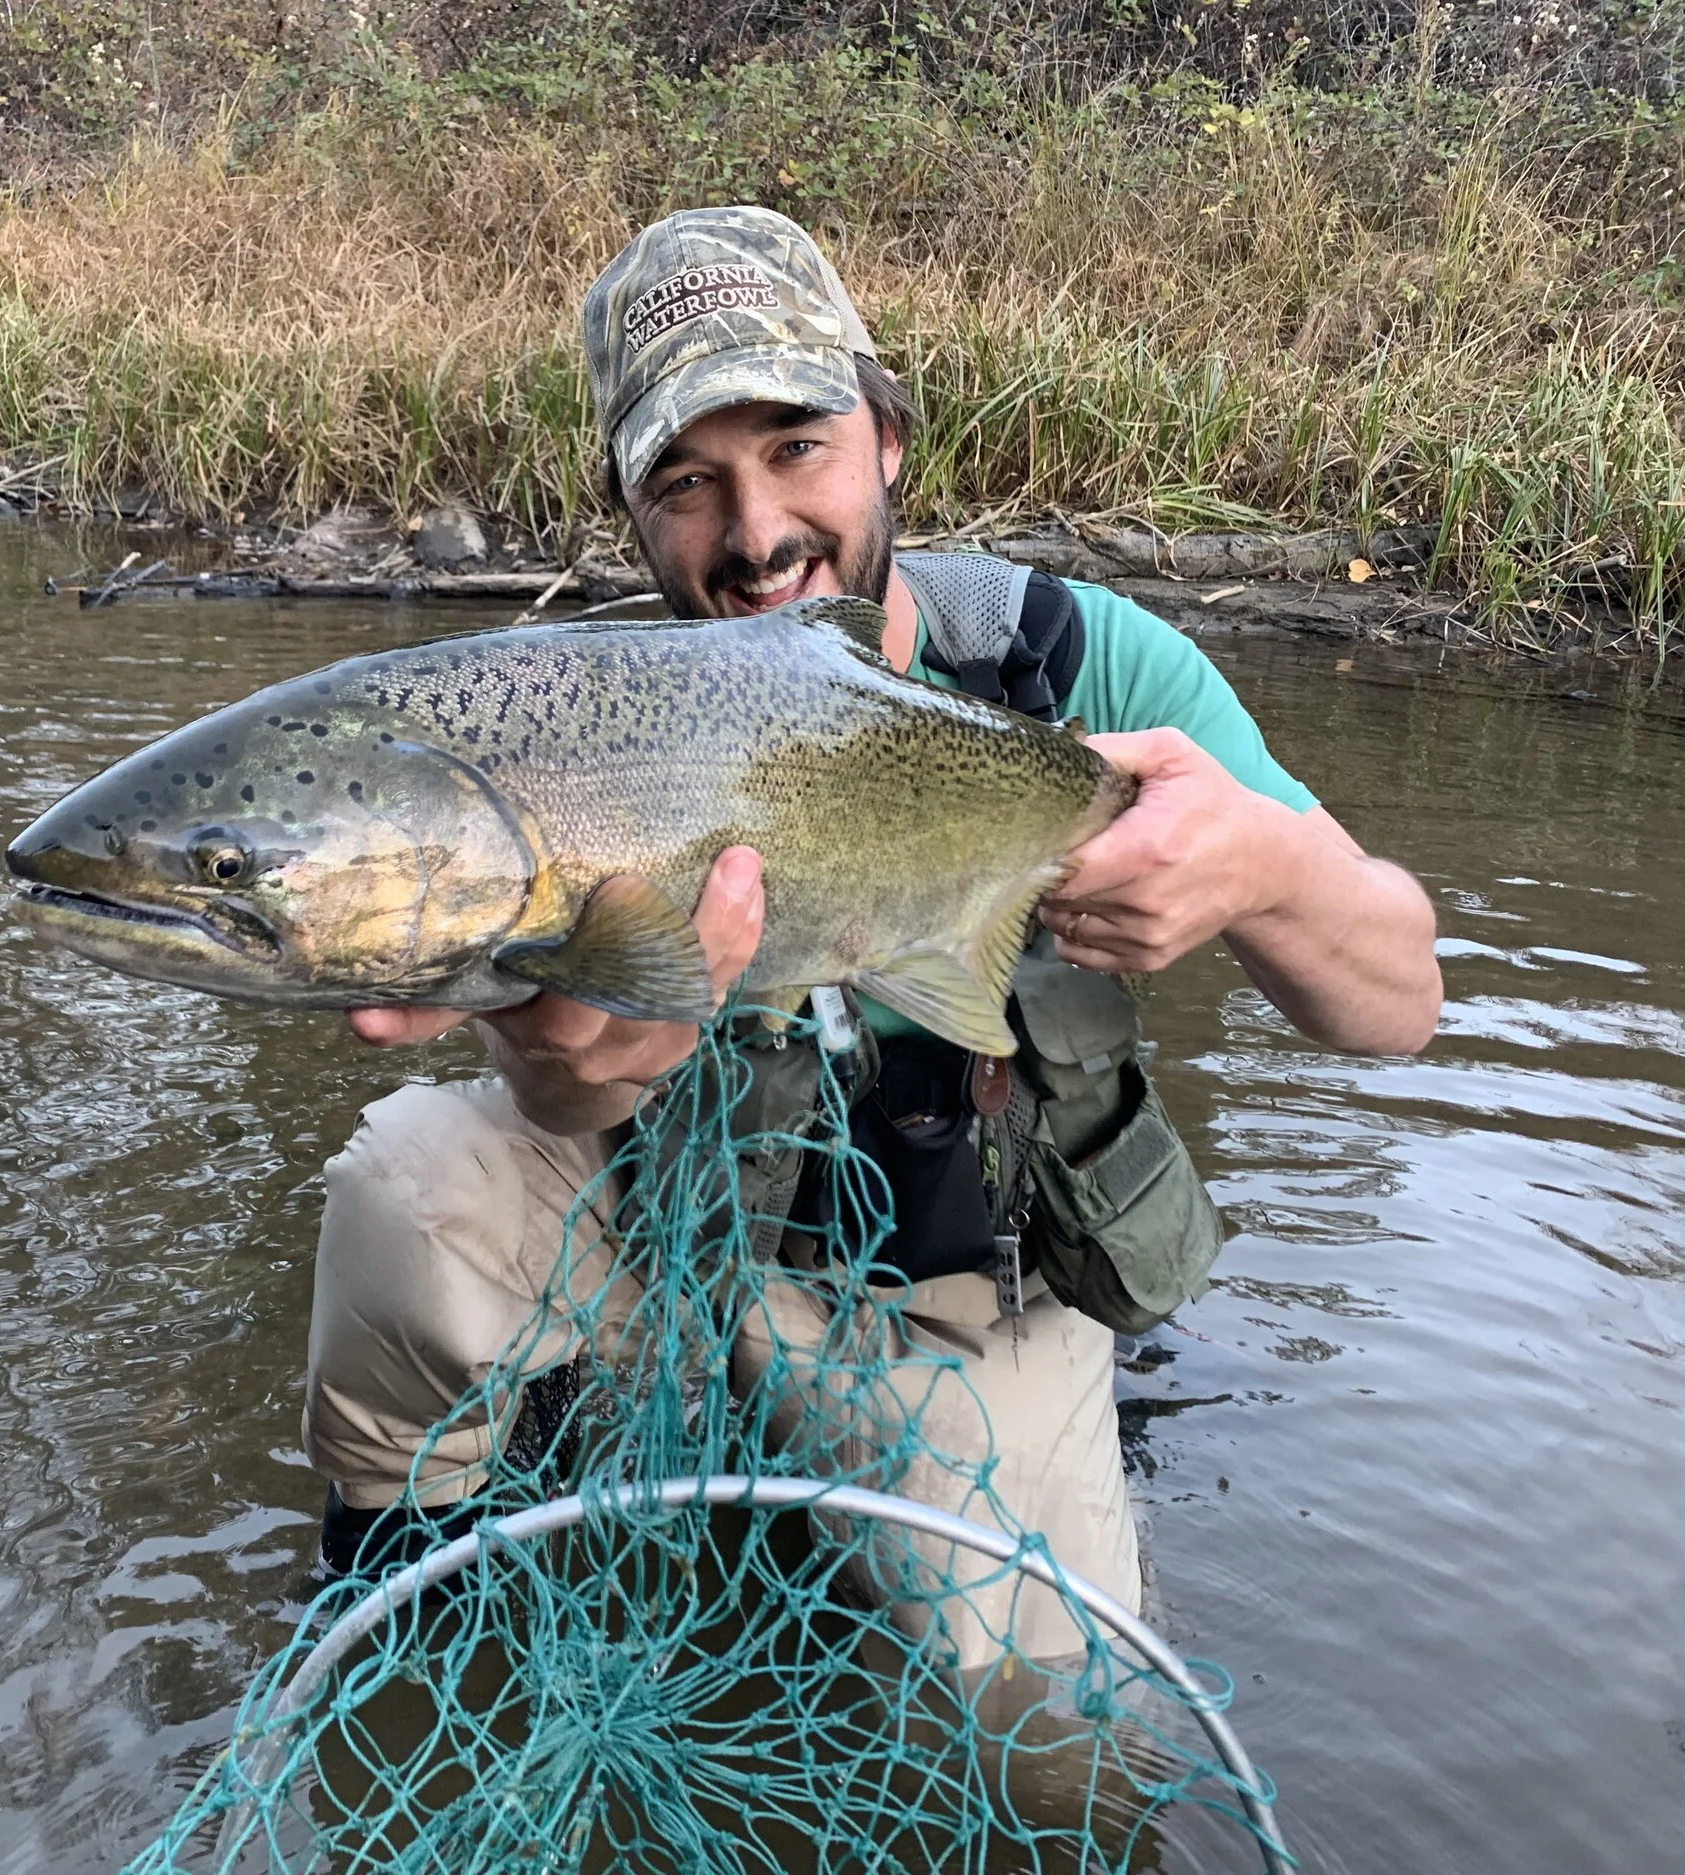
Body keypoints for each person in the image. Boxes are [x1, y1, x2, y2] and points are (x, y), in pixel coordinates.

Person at [300, 206, 1440, 1661]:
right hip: (675, 1248)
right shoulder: (586, 732)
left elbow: (1399, 999)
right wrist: (575, 1067)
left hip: (961, 1304)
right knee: (408, 1188)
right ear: (629, 505)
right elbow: (566, 1095)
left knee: (1047, 1736)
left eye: (796, 447)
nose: (759, 531)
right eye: (689, 481)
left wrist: (1268, 869)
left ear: (888, 434)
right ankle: (403, 1635)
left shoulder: (1079, 670)